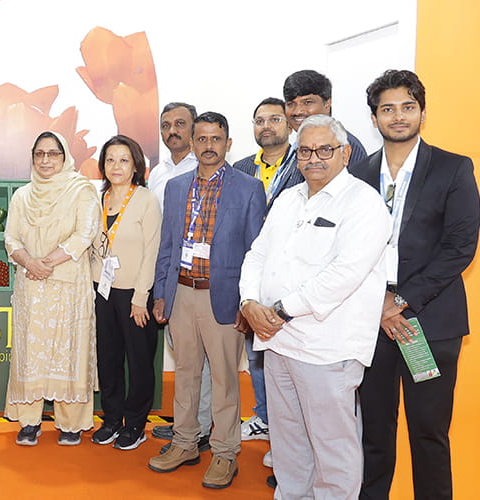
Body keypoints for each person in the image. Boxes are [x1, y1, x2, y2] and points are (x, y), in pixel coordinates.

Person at [240, 114, 391, 499]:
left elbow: (345, 273)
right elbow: (257, 254)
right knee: (289, 447)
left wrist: (280, 310)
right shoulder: (288, 199)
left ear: (345, 153)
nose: (314, 158)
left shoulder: (364, 203)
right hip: (277, 342)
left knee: (332, 451)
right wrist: (249, 302)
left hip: (327, 348)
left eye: (325, 149)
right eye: (305, 150)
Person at [352, 70, 480, 500]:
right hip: (369, 325)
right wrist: (378, 303)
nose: (399, 116)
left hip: (427, 322)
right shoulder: (358, 173)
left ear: (422, 113)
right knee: (373, 430)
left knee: (428, 433)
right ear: (374, 118)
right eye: (388, 109)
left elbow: (460, 247)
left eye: (408, 107)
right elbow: (347, 249)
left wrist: (399, 301)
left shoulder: (453, 167)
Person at [147, 112, 265, 490]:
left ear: (228, 143)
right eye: (202, 138)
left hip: (224, 297)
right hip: (181, 292)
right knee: (185, 375)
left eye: (217, 139)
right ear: (193, 142)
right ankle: (184, 443)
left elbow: (256, 252)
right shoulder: (177, 187)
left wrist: (248, 301)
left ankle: (225, 452)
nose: (209, 146)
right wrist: (162, 292)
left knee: (225, 378)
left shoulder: (248, 188)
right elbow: (168, 245)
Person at [4, 131, 101, 446]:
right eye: (39, 154)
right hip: (31, 287)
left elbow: (84, 234)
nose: (45, 160)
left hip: (68, 287)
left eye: (53, 153)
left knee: (67, 350)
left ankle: (71, 424)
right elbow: (11, 238)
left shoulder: (81, 189)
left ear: (65, 156)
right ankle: (29, 421)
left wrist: (45, 262)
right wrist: (30, 262)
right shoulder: (22, 196)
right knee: (31, 353)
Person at [146, 101, 213, 451]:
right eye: (166, 125)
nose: (172, 130)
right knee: (183, 354)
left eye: (180, 124)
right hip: (166, 270)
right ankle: (187, 422)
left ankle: (201, 428)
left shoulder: (205, 167)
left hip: (196, 276)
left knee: (200, 357)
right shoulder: (158, 173)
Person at [89, 135, 161, 451]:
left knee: (139, 360)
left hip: (134, 293)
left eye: (123, 160)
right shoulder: (96, 199)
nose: (116, 166)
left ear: (135, 166)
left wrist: (140, 298)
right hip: (101, 291)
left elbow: (151, 252)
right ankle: (112, 418)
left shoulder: (146, 200)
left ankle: (135, 423)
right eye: (110, 160)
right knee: (108, 358)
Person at [231, 97, 292, 450]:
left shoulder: (302, 164)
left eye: (274, 119)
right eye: (259, 120)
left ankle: (288, 433)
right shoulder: (239, 168)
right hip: (251, 274)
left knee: (287, 357)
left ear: (287, 124)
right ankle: (266, 419)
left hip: (287, 276)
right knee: (256, 353)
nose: (266, 126)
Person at [267, 70, 369, 208]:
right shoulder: (295, 147)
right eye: (291, 104)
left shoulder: (344, 145)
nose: (298, 111)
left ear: (327, 103)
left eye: (307, 102)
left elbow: (350, 201)